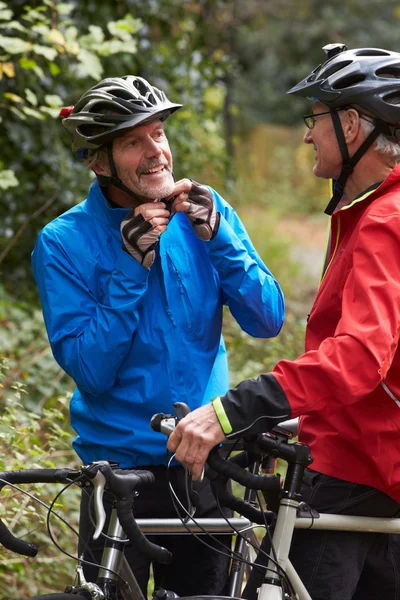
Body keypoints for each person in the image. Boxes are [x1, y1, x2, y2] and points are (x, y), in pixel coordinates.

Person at [31, 75, 285, 597]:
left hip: (202, 459)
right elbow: (92, 371)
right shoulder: (61, 242)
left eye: (158, 134)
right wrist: (130, 270)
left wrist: (221, 241)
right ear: (99, 162)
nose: (156, 152)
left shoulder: (207, 215)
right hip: (117, 475)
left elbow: (268, 321)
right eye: (132, 141)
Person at [168, 44, 400, 600]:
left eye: (315, 118)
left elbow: (360, 357)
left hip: (354, 473)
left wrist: (234, 408)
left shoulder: (385, 220)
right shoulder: (372, 211)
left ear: (351, 124)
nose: (306, 135)